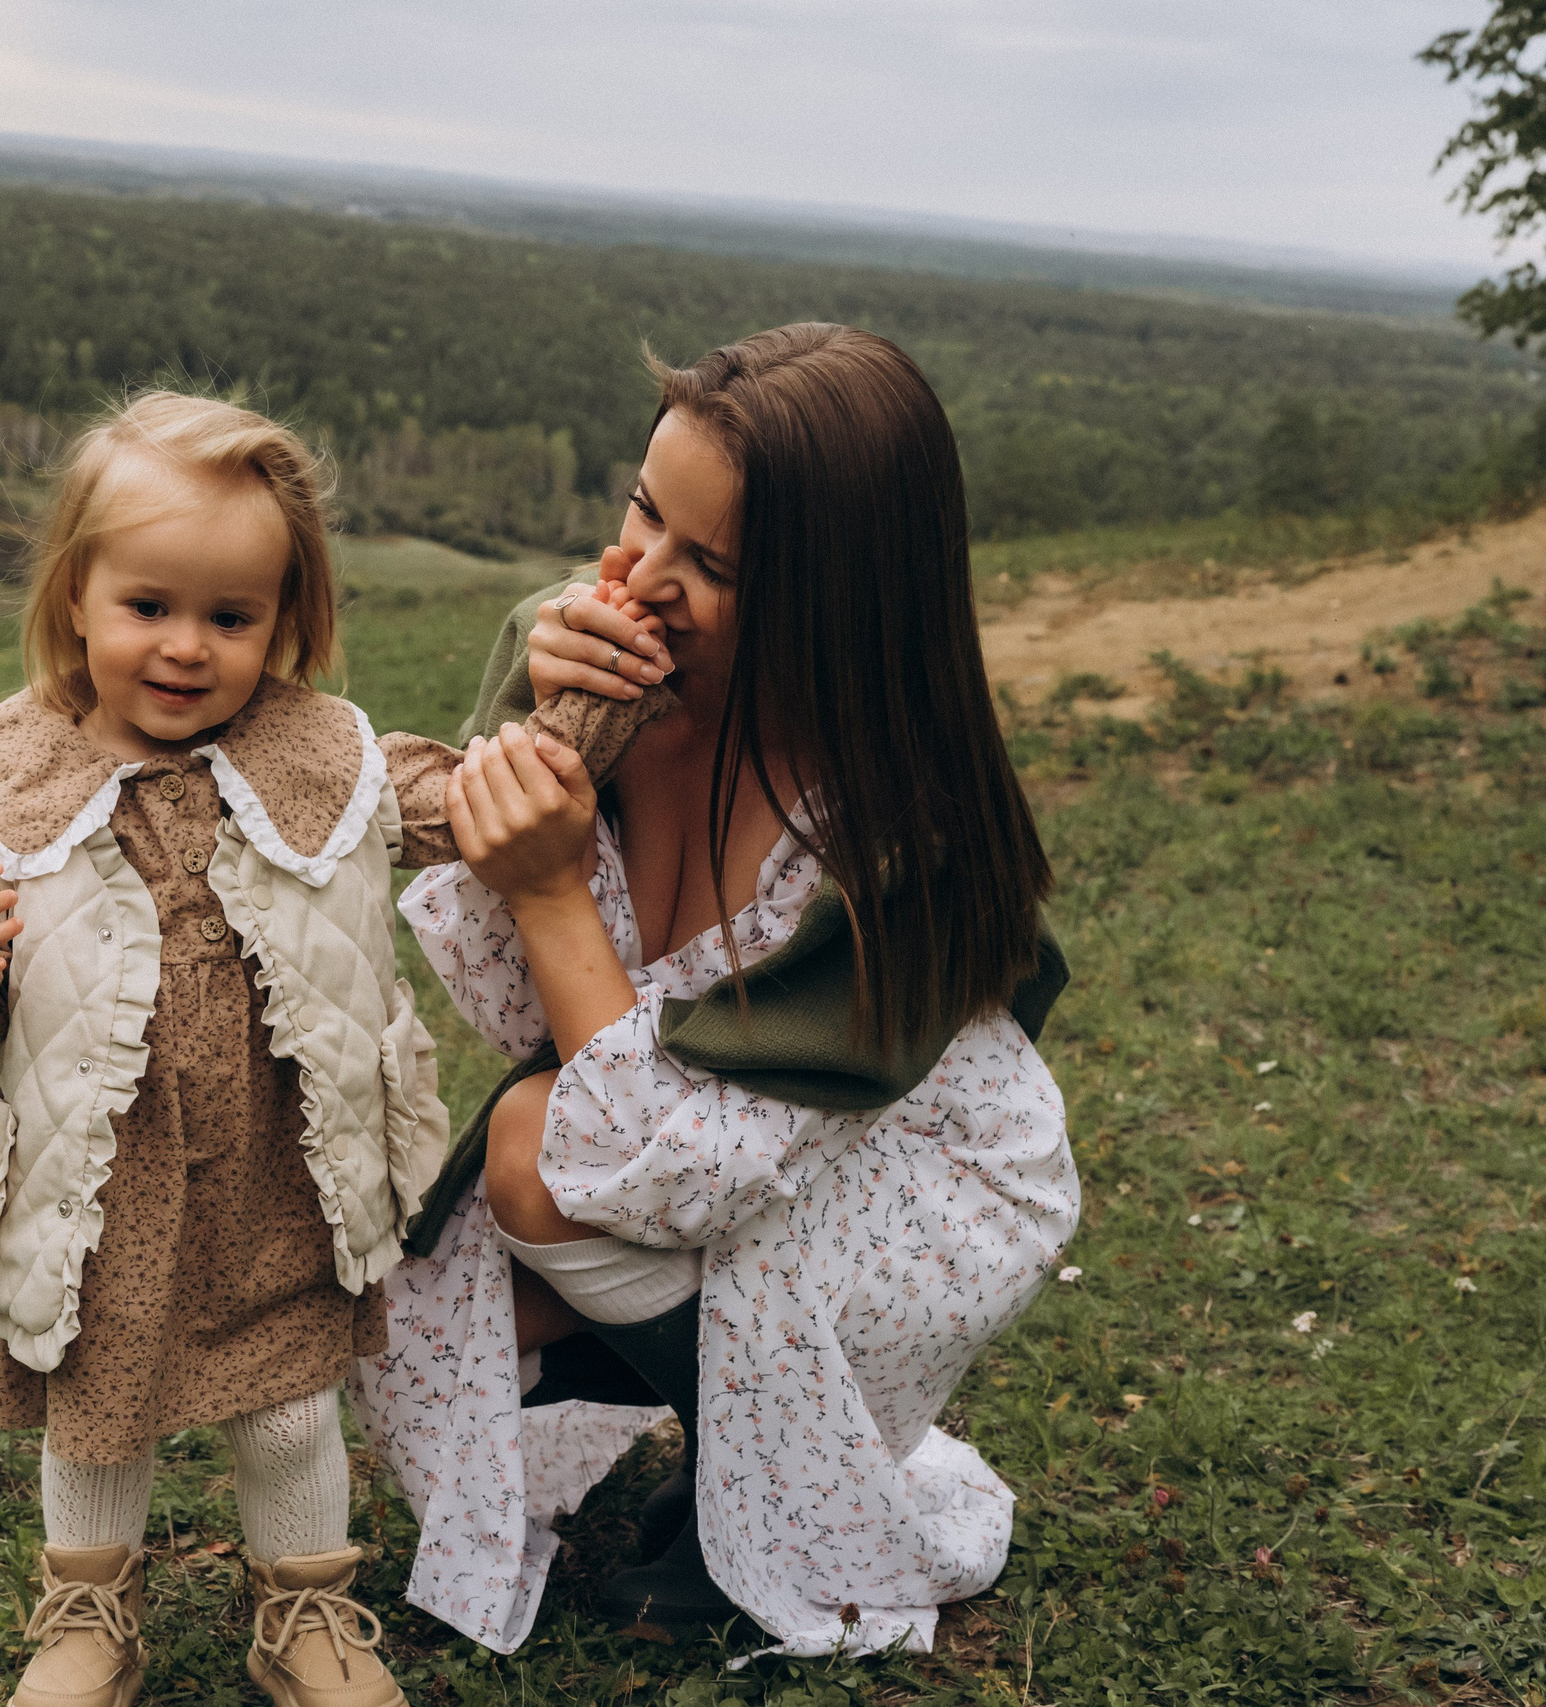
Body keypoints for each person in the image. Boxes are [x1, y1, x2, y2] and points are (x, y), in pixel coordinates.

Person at [351, 324, 1081, 1659]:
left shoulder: (899, 833)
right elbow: (537, 1022)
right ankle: (726, 1425)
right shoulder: (594, 663)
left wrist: (557, 888)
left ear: (834, 601)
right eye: (643, 511)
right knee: (448, 1297)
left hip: (906, 1180)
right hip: (697, 1133)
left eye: (713, 566)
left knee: (531, 1155)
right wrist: (536, 741)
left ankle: (750, 1511)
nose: (636, 576)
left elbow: (671, 1160)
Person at [0, 393, 499, 1707]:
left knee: (285, 1404)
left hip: (277, 1161)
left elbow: (465, 799)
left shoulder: (318, 754)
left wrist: (569, 723)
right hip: (103, 1177)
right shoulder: (7, 779)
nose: (188, 648)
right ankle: (88, 1613)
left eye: (232, 616)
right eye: (148, 605)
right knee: (100, 1406)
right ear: (76, 597)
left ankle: (304, 1612)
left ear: (285, 618)